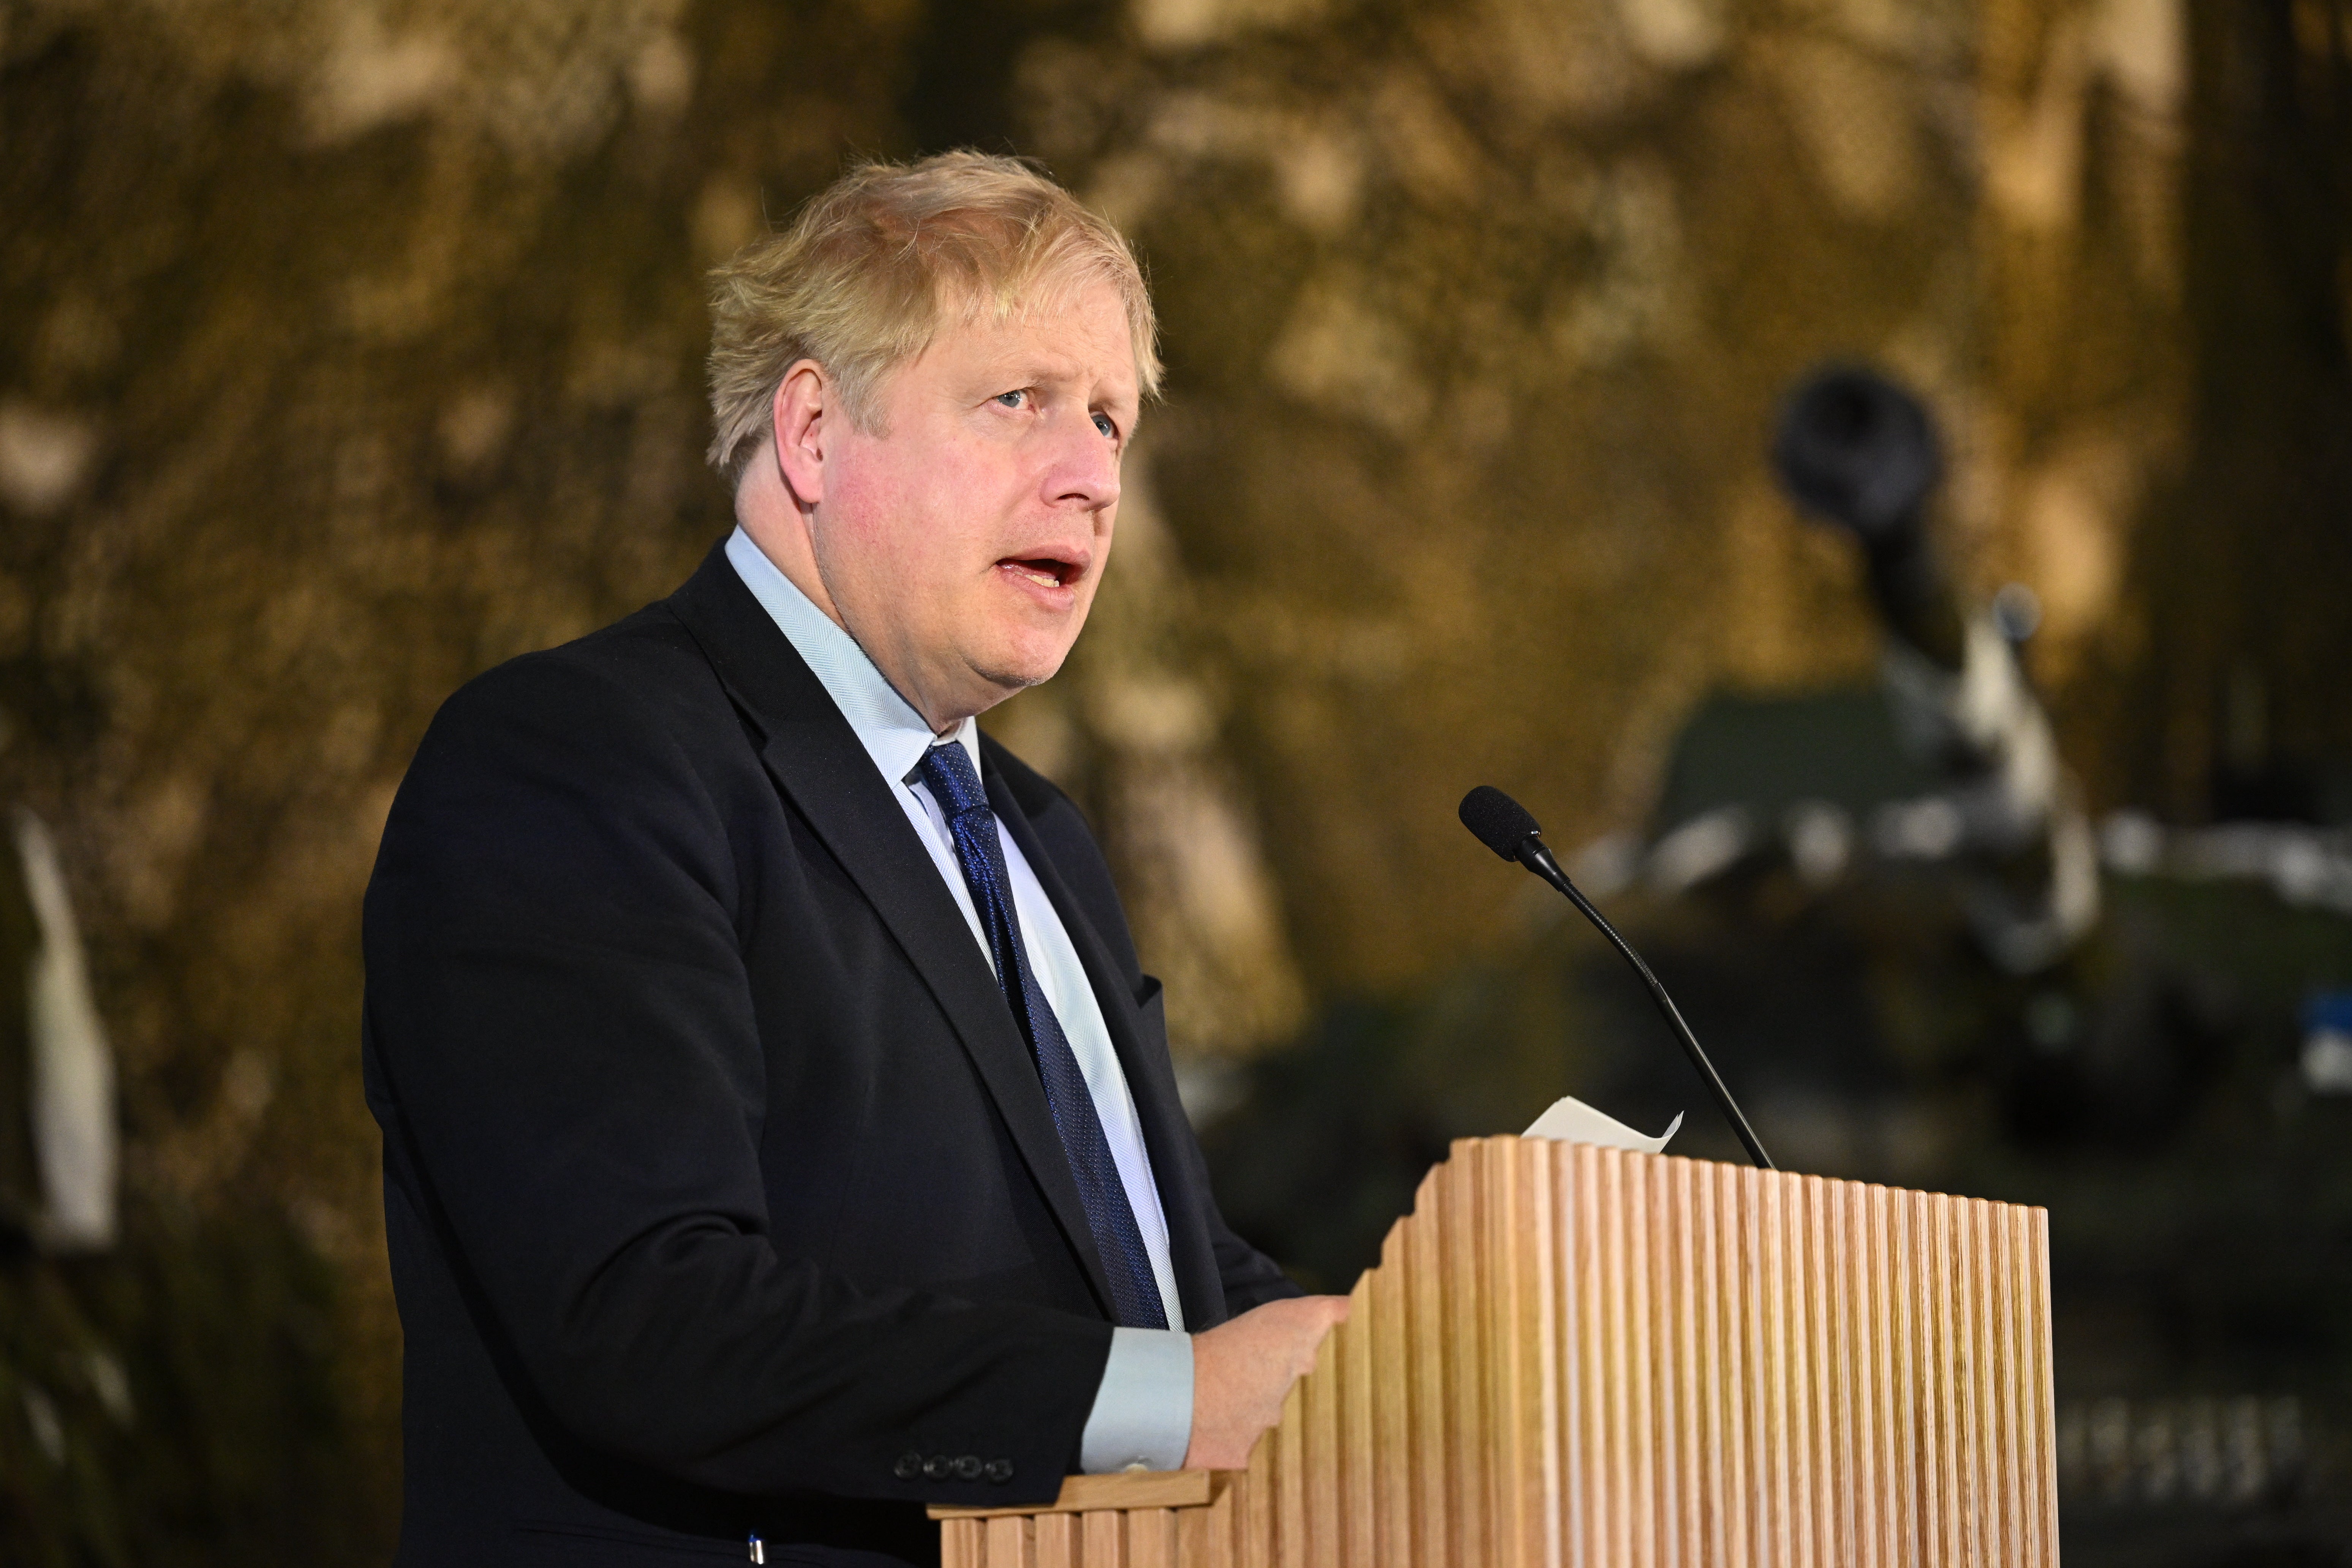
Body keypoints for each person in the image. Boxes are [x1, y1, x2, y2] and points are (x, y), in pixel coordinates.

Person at [361, 151, 1349, 1568]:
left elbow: (1158, 1284)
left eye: (1114, 424)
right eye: (1020, 402)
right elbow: (652, 1318)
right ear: (815, 432)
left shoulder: (1038, 833)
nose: (1090, 479)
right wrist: (1173, 1403)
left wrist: (1415, 1350)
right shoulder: (577, 758)